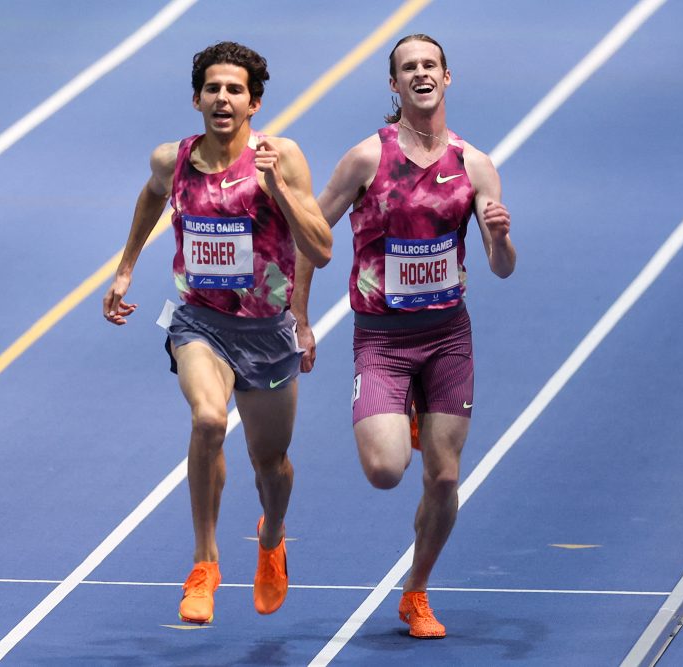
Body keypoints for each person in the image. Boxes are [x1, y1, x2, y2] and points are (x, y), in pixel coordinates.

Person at [103, 41, 332, 625]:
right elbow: (151, 198)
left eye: (234, 90)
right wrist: (127, 265)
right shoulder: (171, 160)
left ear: (254, 101)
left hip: (267, 332)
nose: (223, 98)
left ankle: (272, 536)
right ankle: (205, 561)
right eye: (213, 88)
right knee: (207, 419)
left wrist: (277, 187)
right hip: (198, 322)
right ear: (197, 98)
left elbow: (322, 250)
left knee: (270, 465)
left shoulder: (282, 156)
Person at [296, 34, 516, 638]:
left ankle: (415, 591)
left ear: (449, 78)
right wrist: (300, 319)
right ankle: (404, 414)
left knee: (444, 477)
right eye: (407, 68)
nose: (420, 74)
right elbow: (310, 239)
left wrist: (499, 235)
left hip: (447, 336)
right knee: (387, 470)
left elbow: (501, 268)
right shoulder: (367, 158)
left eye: (429, 65)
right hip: (384, 341)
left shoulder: (475, 164)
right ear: (394, 86)